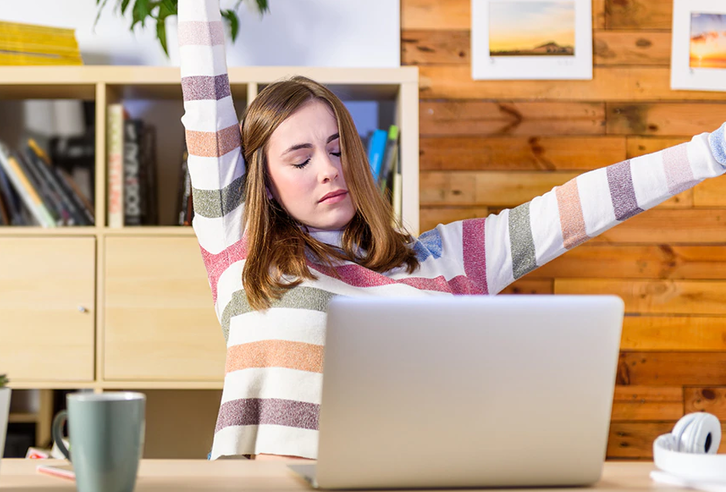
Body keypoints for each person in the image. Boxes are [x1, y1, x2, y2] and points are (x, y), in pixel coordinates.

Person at [178, 0, 726, 461]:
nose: (328, 168)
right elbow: (204, 96)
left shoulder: (441, 261)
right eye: (300, 160)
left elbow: (572, 209)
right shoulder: (241, 249)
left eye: (339, 148)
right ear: (265, 184)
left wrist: (710, 152)